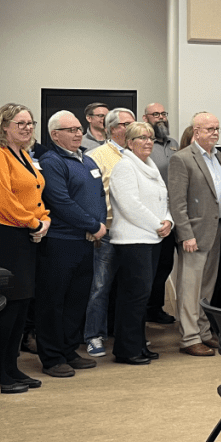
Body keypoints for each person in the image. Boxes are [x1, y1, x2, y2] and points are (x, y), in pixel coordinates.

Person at [0, 103, 50, 394]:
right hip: (0, 233)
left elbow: (36, 194)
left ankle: (11, 367)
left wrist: (44, 221)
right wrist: (34, 223)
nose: (27, 128)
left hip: (24, 232)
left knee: (21, 303)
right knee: (5, 305)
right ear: (4, 126)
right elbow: (2, 199)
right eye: (21, 123)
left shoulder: (24, 155)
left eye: (30, 123)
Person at [35, 111, 107, 378]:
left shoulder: (86, 159)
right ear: (55, 135)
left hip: (86, 241)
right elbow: (61, 202)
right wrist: (94, 225)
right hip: (60, 242)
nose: (78, 133)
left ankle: (68, 350)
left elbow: (99, 196)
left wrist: (97, 226)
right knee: (54, 301)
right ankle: (52, 357)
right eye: (71, 129)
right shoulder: (51, 161)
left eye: (79, 128)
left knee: (77, 300)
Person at [103, 121, 173, 364]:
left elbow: (164, 200)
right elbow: (130, 205)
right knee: (132, 297)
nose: (148, 142)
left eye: (150, 137)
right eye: (141, 138)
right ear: (129, 143)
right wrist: (158, 224)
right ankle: (126, 349)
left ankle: (139, 344)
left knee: (143, 297)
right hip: (133, 241)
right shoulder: (124, 167)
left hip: (153, 239)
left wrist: (168, 221)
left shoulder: (151, 167)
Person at [168, 112, 221, 357]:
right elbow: (177, 201)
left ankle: (204, 332)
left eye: (217, 128)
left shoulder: (217, 157)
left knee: (207, 288)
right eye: (209, 129)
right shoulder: (182, 159)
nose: (214, 133)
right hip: (193, 234)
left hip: (214, 231)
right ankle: (190, 338)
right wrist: (185, 234)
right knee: (190, 288)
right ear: (196, 132)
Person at [81, 107, 135, 359]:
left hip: (136, 234)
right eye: (127, 123)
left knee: (131, 287)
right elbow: (92, 196)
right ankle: (94, 335)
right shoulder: (96, 155)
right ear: (114, 129)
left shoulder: (140, 155)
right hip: (109, 231)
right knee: (100, 286)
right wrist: (95, 227)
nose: (134, 127)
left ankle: (127, 335)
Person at [141, 103, 178, 325]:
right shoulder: (144, 145)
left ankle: (156, 307)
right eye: (156, 115)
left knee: (165, 264)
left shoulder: (174, 144)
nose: (161, 118)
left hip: (171, 214)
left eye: (164, 113)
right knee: (149, 267)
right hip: (150, 215)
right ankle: (144, 308)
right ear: (146, 119)